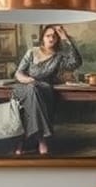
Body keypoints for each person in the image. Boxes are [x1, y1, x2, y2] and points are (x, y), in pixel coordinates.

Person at [13, 24, 82, 155]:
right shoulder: (32, 52)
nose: (51, 39)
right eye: (48, 36)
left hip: (44, 88)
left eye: (54, 36)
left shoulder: (59, 56)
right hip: (24, 86)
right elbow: (19, 73)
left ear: (58, 39)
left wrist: (65, 37)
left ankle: (21, 141)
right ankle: (42, 139)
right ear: (42, 38)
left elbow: (76, 62)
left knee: (35, 92)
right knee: (32, 90)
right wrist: (28, 80)